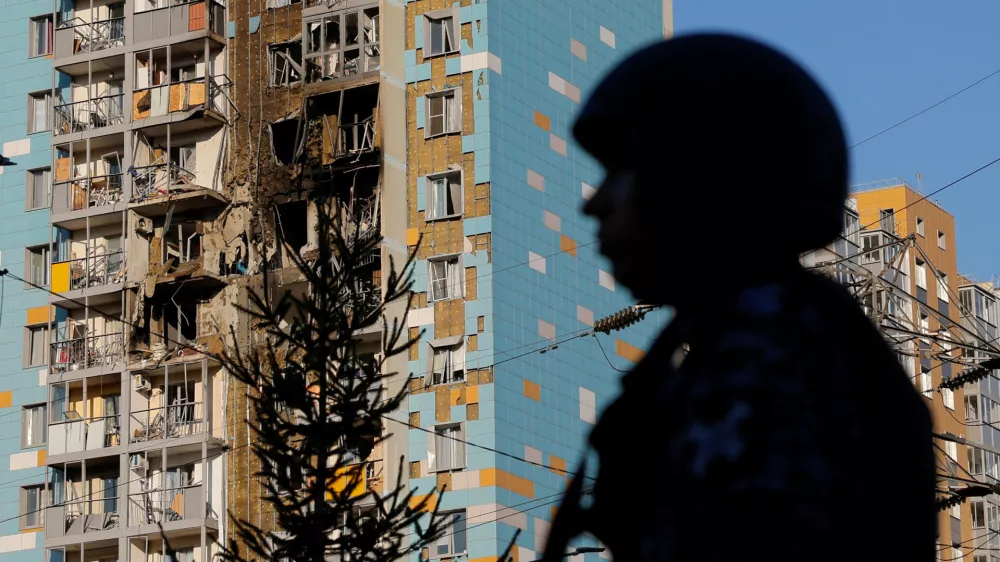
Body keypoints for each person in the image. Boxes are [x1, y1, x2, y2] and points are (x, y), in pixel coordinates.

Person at [541, 33, 936, 562]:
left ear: (695, 178)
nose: (595, 204)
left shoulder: (774, 350)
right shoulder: (756, 336)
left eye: (621, 171)